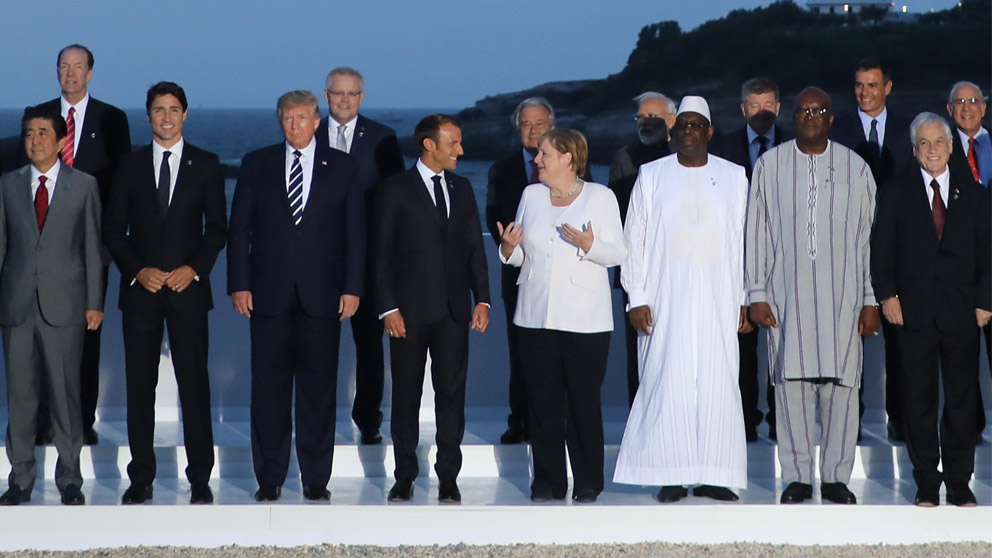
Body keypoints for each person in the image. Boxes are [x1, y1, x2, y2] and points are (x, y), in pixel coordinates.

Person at [227, 90, 365, 502]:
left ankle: (315, 480)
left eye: (301, 118)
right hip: (267, 296)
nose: (294, 125)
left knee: (318, 393)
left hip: (323, 298)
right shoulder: (257, 163)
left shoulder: (343, 167)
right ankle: (269, 478)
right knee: (267, 392)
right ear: (279, 121)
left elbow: (355, 234)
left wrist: (352, 288)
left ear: (317, 120)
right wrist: (239, 283)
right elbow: (240, 231)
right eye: (286, 119)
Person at [747, 87, 880, 505]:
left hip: (844, 299)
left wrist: (870, 298)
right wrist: (756, 292)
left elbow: (868, 240)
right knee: (791, 389)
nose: (809, 116)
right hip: (786, 298)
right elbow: (756, 234)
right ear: (793, 117)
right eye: (803, 110)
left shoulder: (855, 168)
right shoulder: (770, 165)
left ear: (830, 118)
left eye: (818, 110)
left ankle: (837, 477)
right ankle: (798, 477)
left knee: (842, 389)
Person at [614, 96, 750, 503]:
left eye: (697, 125)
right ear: (674, 134)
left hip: (719, 296)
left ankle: (714, 473)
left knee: (717, 382)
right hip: (663, 297)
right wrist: (636, 296)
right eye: (683, 125)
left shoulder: (734, 176)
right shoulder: (652, 175)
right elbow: (633, 238)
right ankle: (670, 473)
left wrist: (744, 297)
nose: (689, 131)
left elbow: (744, 241)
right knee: (665, 379)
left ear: (709, 131)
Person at [104, 82, 228, 505]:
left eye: (174, 109)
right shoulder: (129, 165)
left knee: (194, 385)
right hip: (141, 292)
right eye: (159, 109)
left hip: (188, 292)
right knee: (140, 387)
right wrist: (139, 271)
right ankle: (141, 478)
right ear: (148, 116)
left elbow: (217, 230)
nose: (167, 116)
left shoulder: (207, 164)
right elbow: (112, 229)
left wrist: (192, 270)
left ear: (186, 114)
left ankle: (199, 479)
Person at [498, 129, 624, 503]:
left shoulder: (601, 197)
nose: (537, 160)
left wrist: (589, 245)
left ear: (568, 157)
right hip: (535, 317)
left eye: (545, 154)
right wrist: (508, 248)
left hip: (585, 320)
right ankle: (548, 482)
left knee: (583, 401)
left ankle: (588, 481)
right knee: (542, 401)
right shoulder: (531, 195)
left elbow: (617, 253)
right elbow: (522, 254)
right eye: (539, 154)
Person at [871, 112, 990, 507]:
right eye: (924, 143)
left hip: (961, 315)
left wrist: (985, 302)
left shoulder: (973, 194)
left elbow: (988, 254)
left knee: (961, 402)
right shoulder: (895, 191)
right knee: (917, 401)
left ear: (951, 147)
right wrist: (887, 296)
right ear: (914, 148)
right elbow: (881, 249)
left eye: (939, 142)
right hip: (912, 315)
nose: (933, 150)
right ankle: (926, 481)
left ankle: (959, 481)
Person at [371, 114, 490, 504]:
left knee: (451, 395)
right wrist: (388, 308)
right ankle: (404, 475)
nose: (461, 150)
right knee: (406, 394)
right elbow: (381, 254)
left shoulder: (463, 187)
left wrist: (483, 299)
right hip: (407, 312)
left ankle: (448, 478)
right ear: (429, 145)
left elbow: (475, 247)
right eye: (453, 143)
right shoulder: (395, 189)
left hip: (454, 312)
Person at [24, 44, 131, 446]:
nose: (70, 73)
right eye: (64, 67)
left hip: (91, 244)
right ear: (56, 72)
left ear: (90, 73)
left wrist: (111, 241)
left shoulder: (112, 119)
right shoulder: (41, 115)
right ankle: (41, 421)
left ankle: (82, 421)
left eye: (78, 67)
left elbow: (121, 183)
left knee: (87, 334)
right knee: (39, 334)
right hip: (41, 243)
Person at [0, 105, 104, 506]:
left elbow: (92, 249)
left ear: (62, 141)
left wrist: (94, 303)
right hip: (17, 306)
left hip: (65, 305)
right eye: (29, 133)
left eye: (43, 133)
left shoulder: (84, 186)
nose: (35, 140)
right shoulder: (8, 185)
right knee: (20, 396)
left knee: (65, 395)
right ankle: (21, 478)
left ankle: (70, 478)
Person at [317, 67, 405, 445]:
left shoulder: (383, 138)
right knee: (318, 344)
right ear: (327, 95)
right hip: (317, 260)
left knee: (369, 345)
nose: (345, 100)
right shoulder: (308, 133)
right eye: (338, 93)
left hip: (368, 260)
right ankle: (317, 418)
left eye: (352, 94)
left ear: (362, 97)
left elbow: (397, 199)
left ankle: (368, 418)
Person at [829, 58, 911, 442]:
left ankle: (900, 417)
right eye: (860, 85)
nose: (866, 92)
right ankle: (852, 421)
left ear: (888, 87)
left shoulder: (909, 131)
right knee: (850, 339)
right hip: (850, 245)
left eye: (873, 85)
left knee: (899, 338)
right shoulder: (838, 130)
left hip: (900, 250)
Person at [711, 78, 794, 442]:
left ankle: (781, 420)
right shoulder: (722, 147)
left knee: (783, 345)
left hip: (783, 258)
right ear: (743, 108)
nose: (761, 111)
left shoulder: (795, 144)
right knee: (741, 346)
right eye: (754, 105)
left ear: (778, 107)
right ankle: (743, 422)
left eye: (768, 104)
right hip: (735, 259)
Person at [607, 91, 676, 408]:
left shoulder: (684, 154)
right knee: (638, 347)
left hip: (677, 266)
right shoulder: (624, 157)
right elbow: (616, 213)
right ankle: (639, 416)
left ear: (671, 120)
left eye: (653, 117)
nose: (646, 122)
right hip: (636, 270)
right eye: (641, 117)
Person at [946, 82, 991, 440]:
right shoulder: (940, 151)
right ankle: (969, 427)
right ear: (949, 110)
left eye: (973, 101)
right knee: (962, 356)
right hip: (960, 269)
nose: (966, 107)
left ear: (984, 108)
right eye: (959, 102)